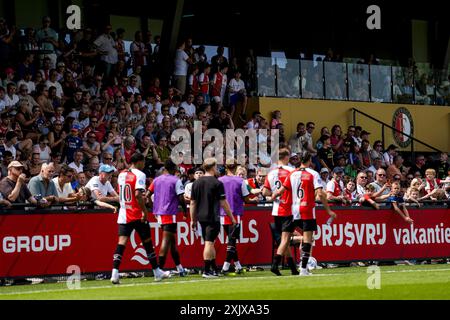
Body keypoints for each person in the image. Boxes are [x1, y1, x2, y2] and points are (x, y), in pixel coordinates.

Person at [271, 152, 336, 276]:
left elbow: (281, 191)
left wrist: (273, 196)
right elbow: (320, 193)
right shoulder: (313, 174)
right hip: (307, 209)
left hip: (291, 210)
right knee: (308, 239)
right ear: (310, 160)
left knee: (285, 239)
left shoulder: (292, 173)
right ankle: (304, 269)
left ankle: (275, 264)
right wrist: (328, 210)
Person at [111, 153, 170, 284]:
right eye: (143, 162)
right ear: (139, 162)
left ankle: (114, 273)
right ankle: (156, 272)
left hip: (123, 213)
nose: (144, 165)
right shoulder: (140, 175)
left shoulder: (121, 174)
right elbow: (138, 194)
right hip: (136, 213)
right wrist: (144, 211)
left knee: (122, 243)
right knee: (147, 242)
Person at [189, 158, 236, 278]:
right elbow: (223, 203)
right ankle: (206, 270)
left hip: (201, 217)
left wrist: (193, 219)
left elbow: (193, 203)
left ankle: (214, 269)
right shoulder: (217, 183)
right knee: (209, 243)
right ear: (213, 167)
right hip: (212, 217)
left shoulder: (196, 183)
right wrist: (232, 218)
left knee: (209, 242)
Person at [147, 159, 188, 277]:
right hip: (170, 213)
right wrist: (185, 211)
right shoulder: (176, 180)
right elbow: (181, 197)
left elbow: (147, 195)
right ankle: (159, 270)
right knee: (166, 241)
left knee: (171, 241)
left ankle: (180, 268)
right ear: (174, 168)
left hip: (159, 213)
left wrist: (152, 207)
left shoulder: (156, 180)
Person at [261, 148, 298, 275]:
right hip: (289, 209)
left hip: (276, 210)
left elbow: (265, 192)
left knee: (284, 240)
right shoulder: (292, 171)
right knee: (286, 239)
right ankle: (275, 264)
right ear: (286, 157)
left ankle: (293, 268)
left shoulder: (271, 173)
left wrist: (275, 195)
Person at [219, 160, 251, 275]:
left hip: (223, 213)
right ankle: (225, 266)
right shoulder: (240, 181)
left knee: (231, 240)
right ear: (236, 167)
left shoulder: (220, 180)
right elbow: (246, 198)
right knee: (232, 241)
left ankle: (237, 265)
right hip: (235, 213)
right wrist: (253, 200)